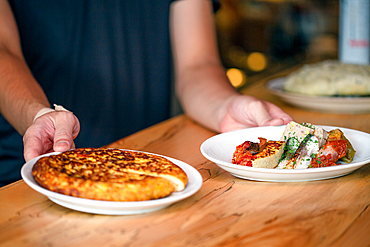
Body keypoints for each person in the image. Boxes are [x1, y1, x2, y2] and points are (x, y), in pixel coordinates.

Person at [0, 0, 293, 186]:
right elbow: (3, 49)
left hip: (148, 167)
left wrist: (225, 106)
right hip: (28, 173)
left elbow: (197, 65)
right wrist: (37, 115)